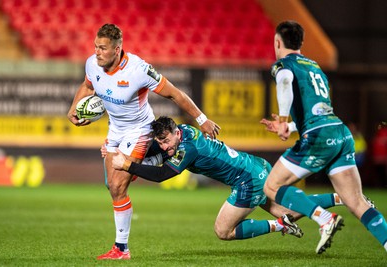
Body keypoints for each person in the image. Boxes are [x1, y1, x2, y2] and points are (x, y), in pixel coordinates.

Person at [67, 24, 220, 260]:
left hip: (139, 131)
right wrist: (73, 109)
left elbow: (174, 93)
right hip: (115, 130)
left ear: (117, 49)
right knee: (111, 186)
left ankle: (121, 249)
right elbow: (88, 86)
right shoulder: (92, 64)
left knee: (119, 185)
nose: (97, 52)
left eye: (103, 48)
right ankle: (151, 159)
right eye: (96, 46)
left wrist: (202, 119)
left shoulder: (138, 70)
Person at [110, 116, 356, 243]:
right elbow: (156, 148)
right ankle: (341, 197)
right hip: (256, 166)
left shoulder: (187, 148)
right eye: (161, 142)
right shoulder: (182, 131)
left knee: (223, 231)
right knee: (284, 210)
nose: (164, 147)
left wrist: (129, 164)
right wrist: (126, 152)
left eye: (166, 141)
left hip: (248, 179)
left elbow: (164, 174)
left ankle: (280, 225)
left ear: (176, 133)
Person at [260, 20, 387, 254]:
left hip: (319, 138)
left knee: (272, 186)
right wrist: (290, 126)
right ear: (301, 42)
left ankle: (324, 218)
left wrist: (283, 120)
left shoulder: (283, 64)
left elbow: (285, 81)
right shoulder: (314, 66)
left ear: (278, 42)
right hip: (339, 132)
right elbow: (318, 112)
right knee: (356, 202)